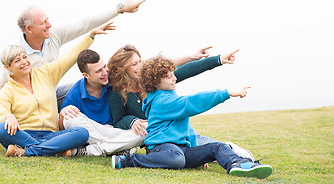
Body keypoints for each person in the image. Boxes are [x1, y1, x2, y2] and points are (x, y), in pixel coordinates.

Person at [0, 0, 146, 148]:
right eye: (44, 22)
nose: (49, 25)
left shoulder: (49, 53)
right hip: (26, 116)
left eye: (24, 58)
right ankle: (44, 146)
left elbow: (80, 28)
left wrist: (116, 12)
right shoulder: (11, 76)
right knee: (3, 128)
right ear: (29, 29)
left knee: (78, 98)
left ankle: (38, 147)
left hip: (50, 100)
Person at [112, 55, 273, 179]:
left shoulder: (170, 95)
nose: (174, 78)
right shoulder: (162, 101)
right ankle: (129, 160)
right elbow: (192, 102)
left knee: (216, 147)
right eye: (169, 76)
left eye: (173, 74)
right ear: (155, 81)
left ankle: (240, 164)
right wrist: (226, 93)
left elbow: (186, 128)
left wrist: (197, 151)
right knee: (177, 159)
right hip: (162, 147)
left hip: (182, 148)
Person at [107, 45, 255, 161]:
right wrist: (132, 121)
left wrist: (219, 59)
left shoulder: (154, 82)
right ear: (123, 69)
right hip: (158, 141)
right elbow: (118, 120)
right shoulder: (117, 93)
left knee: (215, 147)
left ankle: (230, 150)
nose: (139, 66)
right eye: (134, 64)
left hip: (181, 135)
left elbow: (187, 70)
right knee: (180, 155)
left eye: (140, 61)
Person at [0, 22, 116, 157]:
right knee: (1, 129)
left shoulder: (46, 74)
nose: (24, 62)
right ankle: (49, 149)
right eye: (17, 60)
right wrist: (8, 116)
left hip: (51, 135)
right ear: (8, 67)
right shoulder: (7, 90)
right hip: (24, 134)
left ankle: (28, 151)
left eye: (24, 57)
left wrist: (91, 36)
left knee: (82, 133)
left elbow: (69, 57)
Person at [58, 49, 145, 156]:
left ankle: (93, 150)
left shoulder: (115, 82)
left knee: (146, 129)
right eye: (98, 71)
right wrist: (63, 114)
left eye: (104, 66)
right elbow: (63, 130)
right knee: (70, 118)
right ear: (86, 75)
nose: (105, 73)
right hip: (92, 132)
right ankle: (116, 148)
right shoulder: (75, 93)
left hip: (113, 130)